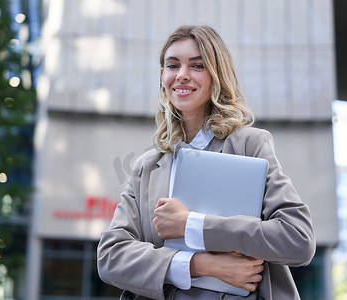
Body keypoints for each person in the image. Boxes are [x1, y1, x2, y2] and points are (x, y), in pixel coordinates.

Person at [97, 24, 315, 300]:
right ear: (163, 76)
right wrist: (199, 266)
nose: (183, 75)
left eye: (197, 66)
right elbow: (110, 257)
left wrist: (193, 225)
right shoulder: (146, 167)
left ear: (216, 76)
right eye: (173, 66)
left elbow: (298, 239)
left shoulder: (250, 145)